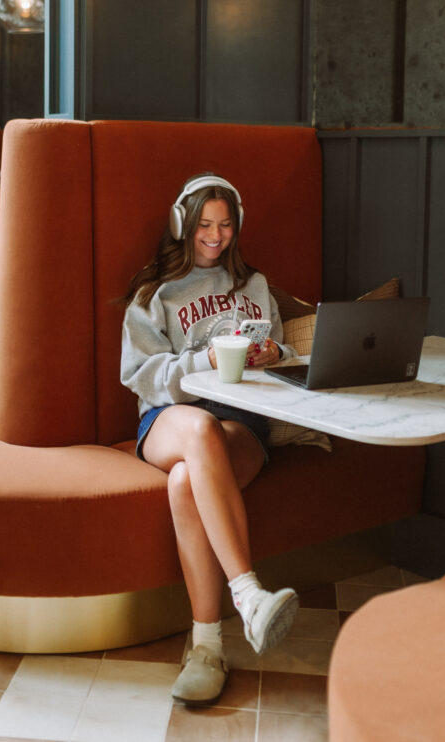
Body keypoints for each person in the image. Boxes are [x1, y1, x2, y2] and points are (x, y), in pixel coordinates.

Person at [120, 173, 299, 707]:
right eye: (204, 224)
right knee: (198, 432)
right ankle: (246, 593)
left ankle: (206, 647)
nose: (215, 236)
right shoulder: (155, 294)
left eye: (224, 225)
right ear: (182, 224)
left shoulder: (254, 286)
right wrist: (206, 360)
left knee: (184, 485)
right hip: (172, 416)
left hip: (241, 420)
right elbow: (141, 373)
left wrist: (274, 355)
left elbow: (281, 351)